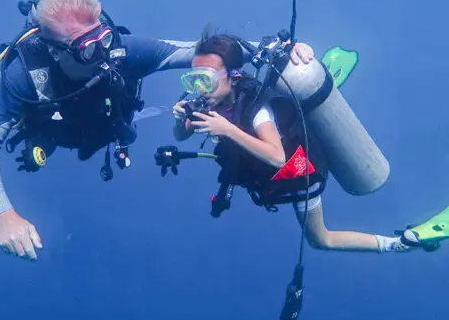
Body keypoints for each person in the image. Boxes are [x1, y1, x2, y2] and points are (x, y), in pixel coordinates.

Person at [0, 0, 315, 261]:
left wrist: (277, 49)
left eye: (104, 37)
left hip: (111, 124)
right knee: (41, 141)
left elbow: (199, 53)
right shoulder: (23, 79)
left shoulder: (124, 50)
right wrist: (3, 213)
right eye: (88, 49)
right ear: (55, 51)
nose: (104, 54)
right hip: (59, 129)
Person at [171, 32, 422, 253]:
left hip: (298, 172)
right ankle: (308, 101)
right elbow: (182, 134)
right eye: (193, 79)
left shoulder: (258, 112)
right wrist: (180, 120)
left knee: (320, 239)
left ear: (234, 77)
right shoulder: (212, 103)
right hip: (262, 171)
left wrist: (227, 129)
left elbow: (278, 157)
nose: (199, 88)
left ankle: (395, 244)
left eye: (207, 79)